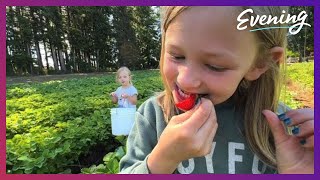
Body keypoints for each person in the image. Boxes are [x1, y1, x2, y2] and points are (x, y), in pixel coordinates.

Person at [119, 6, 314, 174]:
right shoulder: (153, 116)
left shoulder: (283, 131)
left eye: (215, 66)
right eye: (176, 56)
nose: (185, 80)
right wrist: (162, 160)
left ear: (260, 63)